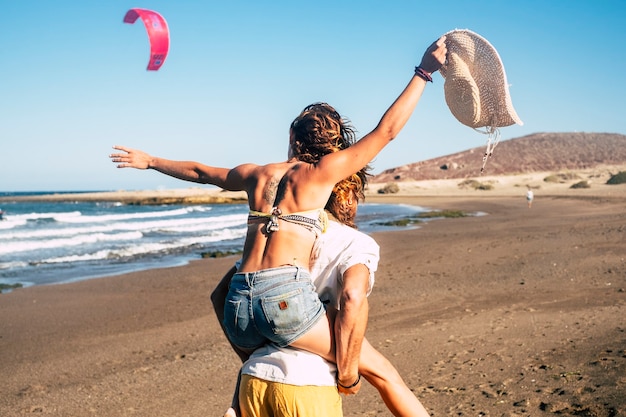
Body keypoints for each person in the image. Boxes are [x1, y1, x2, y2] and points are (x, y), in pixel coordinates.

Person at [110, 35, 445, 416]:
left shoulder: (256, 174)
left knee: (259, 346)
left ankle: (245, 390)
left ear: (291, 139)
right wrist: (424, 71)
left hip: (237, 308)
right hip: (284, 300)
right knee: (373, 366)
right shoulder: (322, 173)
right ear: (329, 147)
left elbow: (202, 172)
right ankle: (347, 380)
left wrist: (151, 160)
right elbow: (385, 132)